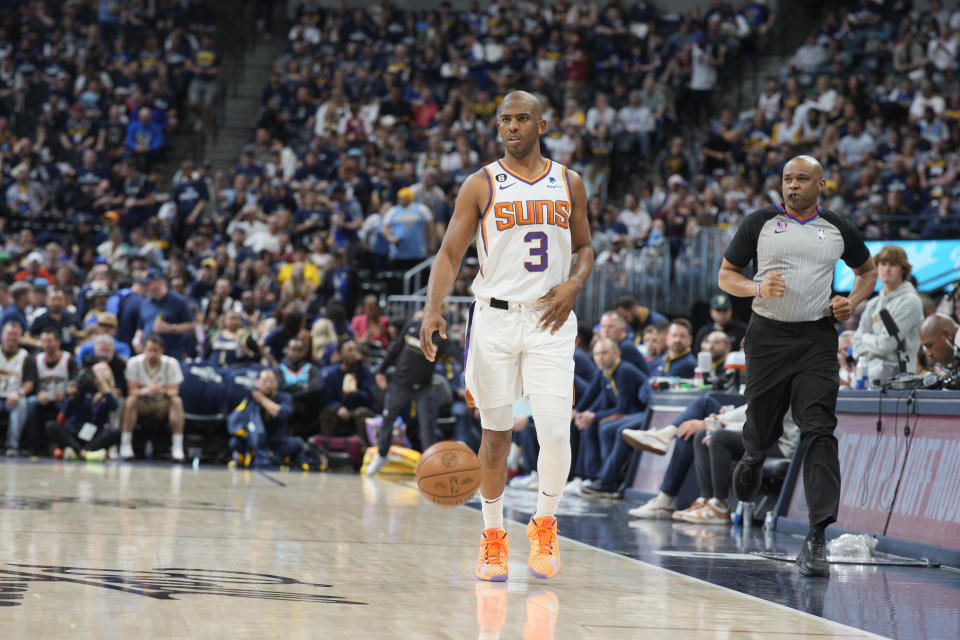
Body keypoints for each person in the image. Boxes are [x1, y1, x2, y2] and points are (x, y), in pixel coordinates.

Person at [418, 91, 594, 581]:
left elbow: (584, 248)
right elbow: (450, 253)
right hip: (493, 319)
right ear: (498, 128)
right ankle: (493, 537)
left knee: (556, 431)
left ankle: (544, 523)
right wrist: (433, 308)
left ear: (542, 124)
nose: (512, 127)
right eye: (505, 120)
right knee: (495, 436)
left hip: (550, 318)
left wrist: (575, 283)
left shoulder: (569, 182)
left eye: (522, 119)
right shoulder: (480, 184)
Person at [718, 154, 877, 577]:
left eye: (802, 179)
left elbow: (868, 271)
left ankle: (816, 536)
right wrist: (754, 286)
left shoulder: (839, 227)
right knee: (763, 427)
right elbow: (726, 275)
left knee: (819, 429)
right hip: (768, 336)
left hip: (817, 339)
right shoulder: (759, 222)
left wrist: (852, 301)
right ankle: (752, 456)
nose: (793, 186)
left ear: (821, 184)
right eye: (788, 179)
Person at [366, 310, 453, 475]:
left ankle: (430, 465)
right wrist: (381, 370)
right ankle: (382, 454)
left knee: (427, 425)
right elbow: (395, 348)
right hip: (401, 383)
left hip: (423, 386)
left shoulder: (442, 338)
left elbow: (456, 353)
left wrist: (467, 368)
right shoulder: (412, 327)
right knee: (388, 417)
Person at [852, 245, 923, 383]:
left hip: (898, 385)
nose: (887, 269)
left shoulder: (910, 301)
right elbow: (855, 346)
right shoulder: (874, 303)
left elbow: (885, 345)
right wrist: (874, 346)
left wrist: (865, 337)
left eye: (893, 265)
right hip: (867, 379)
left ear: (903, 269)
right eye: (883, 264)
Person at [120, 333, 186, 461]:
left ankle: (177, 447)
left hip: (162, 403)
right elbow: (132, 391)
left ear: (162, 350)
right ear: (144, 349)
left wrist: (160, 391)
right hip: (142, 402)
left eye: (156, 350)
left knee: (177, 401)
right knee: (130, 401)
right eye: (150, 350)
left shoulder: (171, 363)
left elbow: (174, 392)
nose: (152, 353)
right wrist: (146, 390)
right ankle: (125, 445)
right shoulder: (134, 362)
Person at [0, 322, 36, 457]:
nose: (12, 338)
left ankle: (12, 446)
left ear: (20, 338)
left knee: (22, 404)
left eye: (15, 335)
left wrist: (18, 393)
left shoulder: (25, 356)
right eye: (9, 334)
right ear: (2, 335)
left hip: (14, 397)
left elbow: (29, 383)